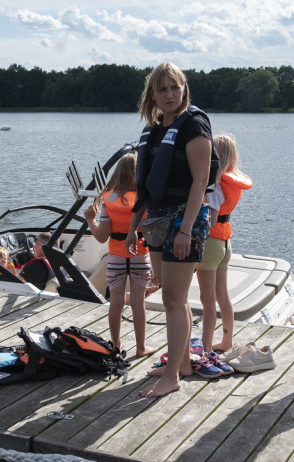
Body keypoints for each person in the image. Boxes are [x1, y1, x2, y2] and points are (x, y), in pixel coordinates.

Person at [124, 62, 217, 398]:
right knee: (171, 294)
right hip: (157, 218)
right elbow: (147, 186)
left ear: (183, 88)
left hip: (183, 219)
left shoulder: (193, 125)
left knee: (173, 299)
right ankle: (183, 363)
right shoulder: (155, 128)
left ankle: (173, 377)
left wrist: (185, 229)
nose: (169, 94)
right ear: (152, 93)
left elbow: (201, 180)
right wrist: (133, 227)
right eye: (161, 89)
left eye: (174, 87)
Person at [84, 152, 155, 358]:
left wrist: (91, 219)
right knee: (138, 303)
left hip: (115, 257)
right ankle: (141, 348)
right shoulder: (146, 200)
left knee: (116, 302)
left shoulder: (109, 200)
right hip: (140, 255)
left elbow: (101, 236)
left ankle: (115, 346)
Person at [197, 134, 252, 352]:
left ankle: (206, 347)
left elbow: (209, 219)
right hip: (224, 242)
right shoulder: (231, 183)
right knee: (222, 295)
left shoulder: (214, 186)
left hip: (210, 243)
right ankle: (227, 341)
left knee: (207, 299)